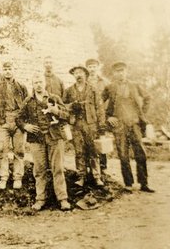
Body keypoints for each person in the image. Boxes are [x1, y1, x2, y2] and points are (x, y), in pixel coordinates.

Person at [16, 75, 71, 211]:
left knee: (57, 168)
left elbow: (67, 115)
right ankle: (40, 199)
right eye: (36, 83)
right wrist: (25, 126)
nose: (38, 85)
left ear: (44, 84)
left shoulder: (54, 98)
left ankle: (63, 199)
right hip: (36, 139)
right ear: (33, 85)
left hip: (54, 137)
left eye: (40, 82)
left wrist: (56, 111)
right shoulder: (28, 101)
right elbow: (19, 118)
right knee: (39, 170)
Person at [102, 62, 155, 193]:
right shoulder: (110, 87)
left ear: (127, 71)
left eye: (123, 70)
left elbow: (148, 97)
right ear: (114, 73)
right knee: (123, 155)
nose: (121, 73)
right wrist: (108, 117)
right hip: (119, 126)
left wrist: (142, 114)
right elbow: (98, 103)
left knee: (141, 154)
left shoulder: (135, 85)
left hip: (134, 124)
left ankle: (144, 183)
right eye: (118, 71)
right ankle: (128, 184)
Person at [63, 65, 105, 187]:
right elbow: (63, 106)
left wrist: (101, 125)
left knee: (93, 150)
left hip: (90, 124)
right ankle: (81, 176)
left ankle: (96, 176)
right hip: (76, 124)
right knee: (79, 151)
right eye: (76, 73)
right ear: (74, 75)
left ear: (85, 75)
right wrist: (72, 106)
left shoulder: (93, 90)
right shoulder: (69, 90)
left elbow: (100, 108)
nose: (78, 75)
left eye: (80, 72)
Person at [0, 61, 28, 190]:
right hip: (4, 120)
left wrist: (25, 122)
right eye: (5, 69)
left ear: (14, 70)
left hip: (18, 121)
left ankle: (17, 177)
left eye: (10, 69)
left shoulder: (22, 87)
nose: (7, 71)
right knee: (2, 150)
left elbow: (27, 105)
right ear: (3, 70)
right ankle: (3, 177)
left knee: (19, 150)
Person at [86, 58, 110, 173]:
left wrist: (107, 114)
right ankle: (90, 167)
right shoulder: (85, 81)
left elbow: (110, 99)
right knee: (89, 142)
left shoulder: (104, 82)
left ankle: (103, 166)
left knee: (101, 140)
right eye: (90, 66)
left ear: (97, 67)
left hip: (101, 116)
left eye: (94, 66)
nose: (92, 69)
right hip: (88, 117)